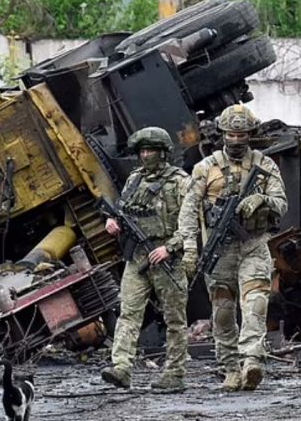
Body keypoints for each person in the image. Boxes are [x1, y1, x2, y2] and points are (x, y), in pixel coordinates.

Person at [178, 104, 288, 391]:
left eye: (242, 135)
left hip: (253, 245)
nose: (237, 140)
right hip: (220, 250)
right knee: (223, 312)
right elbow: (189, 211)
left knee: (255, 303)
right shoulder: (205, 168)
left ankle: (252, 359)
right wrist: (190, 249)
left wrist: (261, 201)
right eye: (231, 134)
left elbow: (282, 204)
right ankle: (230, 367)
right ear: (222, 135)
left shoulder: (265, 166)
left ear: (250, 134)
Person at [101, 126, 189, 392]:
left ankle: (174, 373)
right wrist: (113, 222)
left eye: (150, 150)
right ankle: (121, 367)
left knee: (174, 318)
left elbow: (193, 223)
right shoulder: (134, 180)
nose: (145, 155)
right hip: (137, 257)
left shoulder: (180, 182)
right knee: (128, 312)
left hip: (167, 259)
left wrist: (170, 248)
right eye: (142, 151)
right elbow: (123, 209)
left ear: (163, 152)